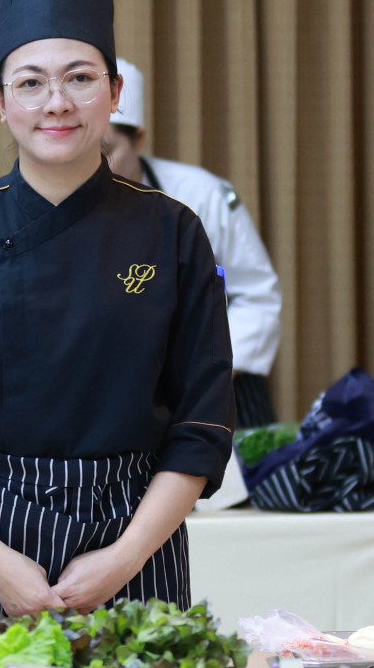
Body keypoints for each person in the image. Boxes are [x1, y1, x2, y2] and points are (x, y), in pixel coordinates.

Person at [0, 0, 234, 634]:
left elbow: (202, 425)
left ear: (114, 92)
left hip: (133, 540)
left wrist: (124, 557)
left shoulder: (173, 232)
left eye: (80, 78)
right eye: (31, 83)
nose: (57, 103)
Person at [99, 62, 284, 427]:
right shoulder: (54, 207)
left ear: (139, 139)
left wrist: (204, 371)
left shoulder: (201, 195)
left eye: (106, 151)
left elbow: (257, 297)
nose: (95, 167)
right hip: (110, 398)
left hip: (212, 383)